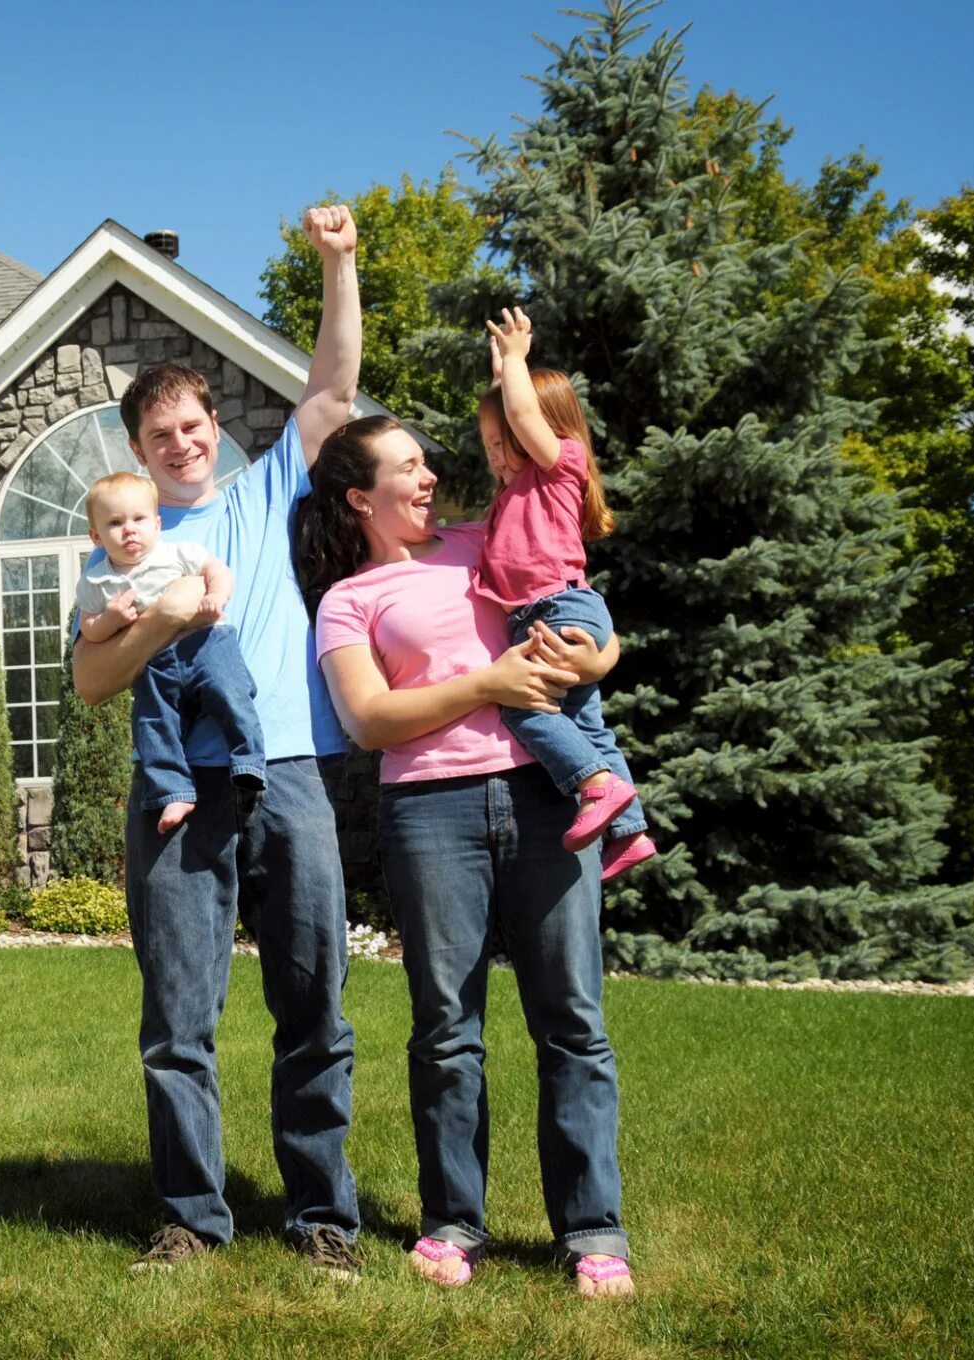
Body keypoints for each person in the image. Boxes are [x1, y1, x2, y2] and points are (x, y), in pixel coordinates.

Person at [73, 204, 362, 1278]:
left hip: (284, 774)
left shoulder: (270, 487)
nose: (182, 444)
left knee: (312, 1004)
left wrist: (337, 262)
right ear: (136, 451)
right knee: (176, 1017)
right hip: (174, 796)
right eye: (159, 437)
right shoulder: (120, 547)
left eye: (193, 426)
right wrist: (165, 616)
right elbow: (93, 677)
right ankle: (192, 1214)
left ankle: (323, 1213)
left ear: (214, 427)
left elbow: (330, 387)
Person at [299, 415, 637, 1299]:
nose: (427, 476)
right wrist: (486, 684)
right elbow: (370, 720)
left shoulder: (488, 538)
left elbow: (580, 602)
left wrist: (603, 651)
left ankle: (593, 1229)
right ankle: (453, 1221)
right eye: (406, 467)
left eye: (425, 462)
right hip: (430, 811)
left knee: (572, 1020)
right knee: (447, 1030)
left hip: (545, 795)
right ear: (359, 497)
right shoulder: (349, 599)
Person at [479, 307, 655, 879]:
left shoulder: (560, 468)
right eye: (488, 446)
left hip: (556, 607)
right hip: (558, 607)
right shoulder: (508, 498)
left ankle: (596, 785)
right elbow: (515, 412)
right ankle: (630, 835)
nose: (496, 456)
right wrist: (501, 375)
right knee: (588, 726)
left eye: (504, 442)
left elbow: (525, 414)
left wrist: (515, 364)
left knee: (522, 707)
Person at [76, 470, 266, 834]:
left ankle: (249, 763)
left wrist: (216, 595)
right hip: (156, 663)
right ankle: (174, 791)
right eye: (115, 523)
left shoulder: (177, 553)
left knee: (231, 694)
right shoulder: (96, 580)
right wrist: (112, 618)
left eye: (139, 519)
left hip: (206, 643)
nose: (129, 529)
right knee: (152, 721)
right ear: (96, 536)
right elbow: (89, 628)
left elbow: (218, 571)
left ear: (157, 523)